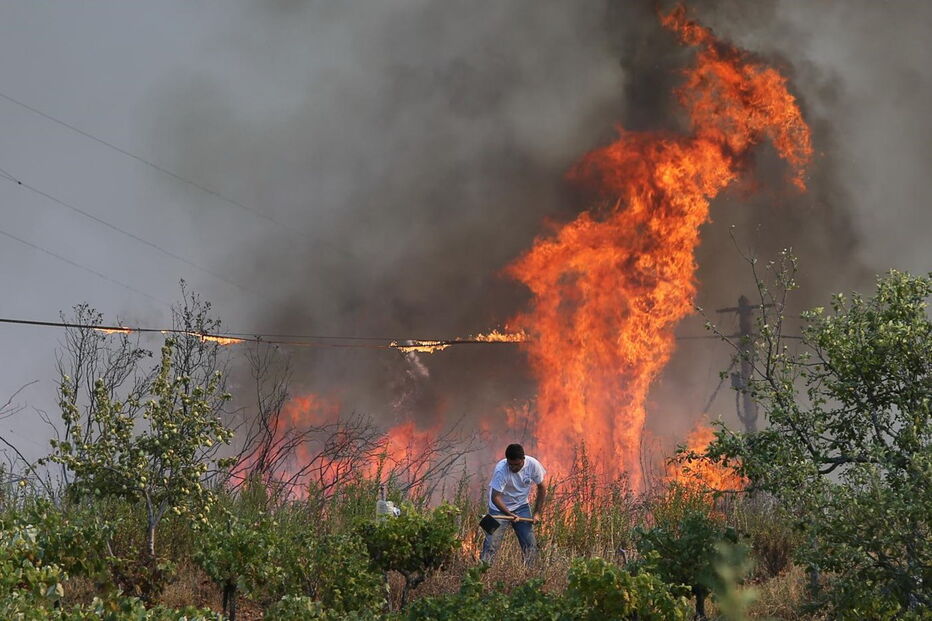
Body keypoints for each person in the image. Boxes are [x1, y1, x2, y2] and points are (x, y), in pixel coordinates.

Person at [480, 443, 546, 566]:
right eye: (510, 464)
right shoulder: (501, 469)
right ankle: (482, 572)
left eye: (517, 464)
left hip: (521, 507)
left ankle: (530, 573)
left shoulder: (533, 465)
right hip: (497, 509)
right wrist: (510, 515)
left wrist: (537, 513)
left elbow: (542, 488)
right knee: (490, 543)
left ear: (523, 460)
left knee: (530, 544)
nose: (513, 468)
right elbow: (495, 497)